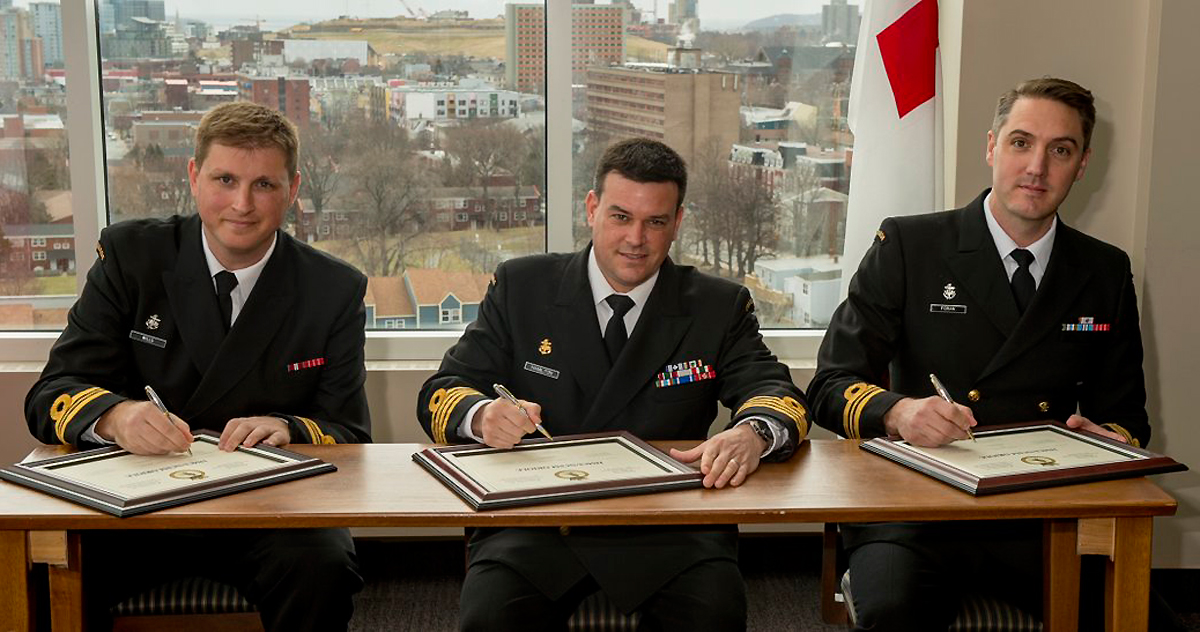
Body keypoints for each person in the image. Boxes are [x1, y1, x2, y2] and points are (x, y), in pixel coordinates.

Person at [418, 137, 810, 632]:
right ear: (592, 208)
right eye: (621, 217)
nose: (636, 239)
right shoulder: (523, 286)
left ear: (678, 223)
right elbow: (443, 389)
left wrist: (752, 433)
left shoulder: (717, 305)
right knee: (489, 621)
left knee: (716, 616)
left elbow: (778, 395)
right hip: (537, 522)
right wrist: (480, 415)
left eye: (656, 222)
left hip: (671, 529)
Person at [807, 77, 1156, 630]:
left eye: (1060, 150)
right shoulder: (909, 245)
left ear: (1082, 165)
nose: (1037, 167)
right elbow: (829, 386)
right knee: (893, 612)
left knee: (1135, 616)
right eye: (1021, 143)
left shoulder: (1103, 272)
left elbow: (1130, 420)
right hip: (916, 513)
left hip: (1045, 517)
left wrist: (1108, 441)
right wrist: (899, 412)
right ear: (991, 146)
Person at [24, 101, 371, 632]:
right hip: (134, 509)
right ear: (193, 176)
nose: (242, 204)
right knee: (50, 568)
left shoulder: (333, 289)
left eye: (264, 185)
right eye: (225, 179)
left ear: (294, 189)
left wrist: (288, 427)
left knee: (323, 564)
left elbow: (349, 432)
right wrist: (115, 417)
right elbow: (52, 394)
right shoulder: (132, 255)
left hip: (267, 513)